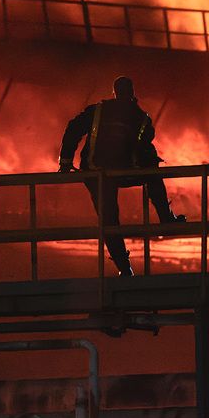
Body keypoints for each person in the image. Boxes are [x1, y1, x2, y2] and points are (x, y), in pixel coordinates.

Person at [58, 76, 183, 276]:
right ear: (132, 93)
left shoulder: (97, 111)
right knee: (152, 171)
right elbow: (146, 143)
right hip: (125, 171)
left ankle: (125, 269)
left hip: (96, 172)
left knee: (109, 220)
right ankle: (166, 219)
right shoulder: (140, 117)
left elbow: (73, 128)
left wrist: (65, 162)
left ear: (114, 92)